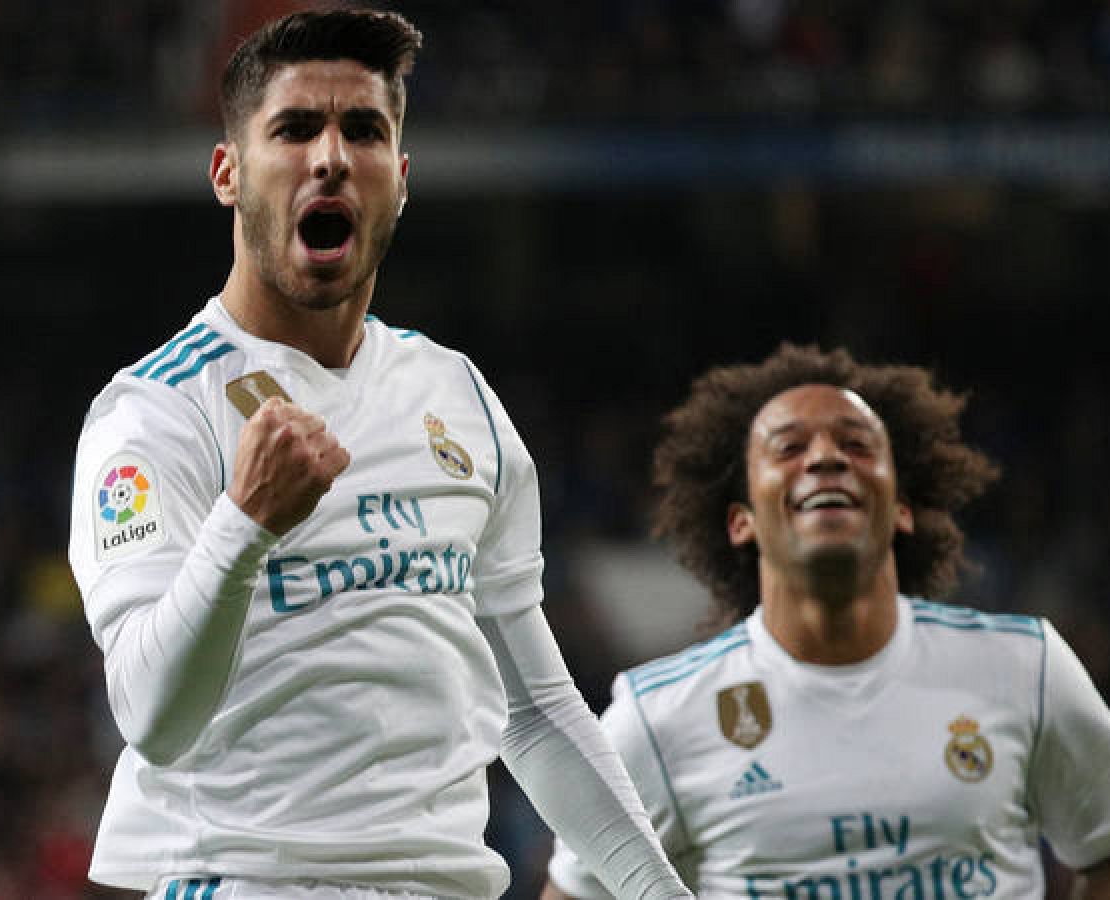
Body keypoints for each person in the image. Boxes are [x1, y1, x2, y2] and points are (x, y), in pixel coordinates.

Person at [67, 10, 692, 900]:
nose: (330, 157)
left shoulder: (457, 394)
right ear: (227, 173)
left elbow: (537, 714)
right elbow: (151, 717)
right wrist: (242, 525)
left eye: (363, 131)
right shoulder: (156, 413)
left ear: (398, 180)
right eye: (294, 129)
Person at [542, 344, 1110, 899]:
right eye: (789, 447)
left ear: (901, 508)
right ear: (742, 521)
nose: (825, 458)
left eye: (856, 443)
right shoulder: (659, 717)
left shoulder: (1023, 666)